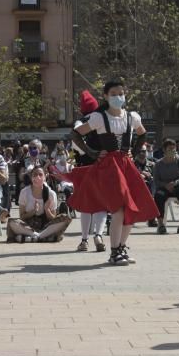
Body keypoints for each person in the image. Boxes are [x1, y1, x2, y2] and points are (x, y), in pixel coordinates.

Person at [67, 81, 158, 265]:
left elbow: (142, 134)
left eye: (121, 93)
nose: (119, 97)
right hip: (109, 167)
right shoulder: (99, 117)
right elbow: (76, 134)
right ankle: (115, 251)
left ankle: (121, 247)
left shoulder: (132, 117)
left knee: (133, 207)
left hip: (126, 164)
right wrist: (92, 152)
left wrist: (134, 149)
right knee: (119, 209)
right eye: (114, 93)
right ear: (106, 96)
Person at [69, 90, 108, 253]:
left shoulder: (80, 123)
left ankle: (84, 240)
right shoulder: (102, 119)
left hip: (84, 168)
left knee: (86, 206)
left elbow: (75, 142)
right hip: (103, 167)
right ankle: (98, 235)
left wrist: (89, 152)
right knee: (102, 204)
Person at [6, 167, 72, 242]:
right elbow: (22, 217)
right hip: (28, 227)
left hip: (45, 227)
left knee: (66, 218)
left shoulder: (51, 194)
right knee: (11, 222)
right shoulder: (24, 192)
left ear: (45, 177)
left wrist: (47, 210)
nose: (38, 177)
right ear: (31, 177)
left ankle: (34, 237)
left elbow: (53, 218)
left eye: (40, 175)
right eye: (35, 175)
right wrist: (33, 211)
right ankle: (43, 237)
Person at [152, 139, 179, 235]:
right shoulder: (158, 164)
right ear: (164, 150)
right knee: (158, 196)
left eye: (174, 148)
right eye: (170, 148)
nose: (173, 150)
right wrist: (165, 185)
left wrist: (174, 183)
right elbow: (156, 181)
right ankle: (161, 225)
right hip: (164, 187)